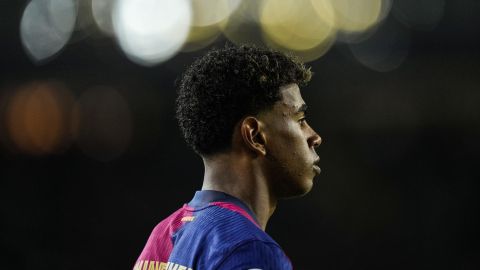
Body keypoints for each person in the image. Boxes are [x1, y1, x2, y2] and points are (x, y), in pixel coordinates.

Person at [133, 44, 322, 270]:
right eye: (299, 119)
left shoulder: (162, 237)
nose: (315, 137)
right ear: (255, 136)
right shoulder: (249, 249)